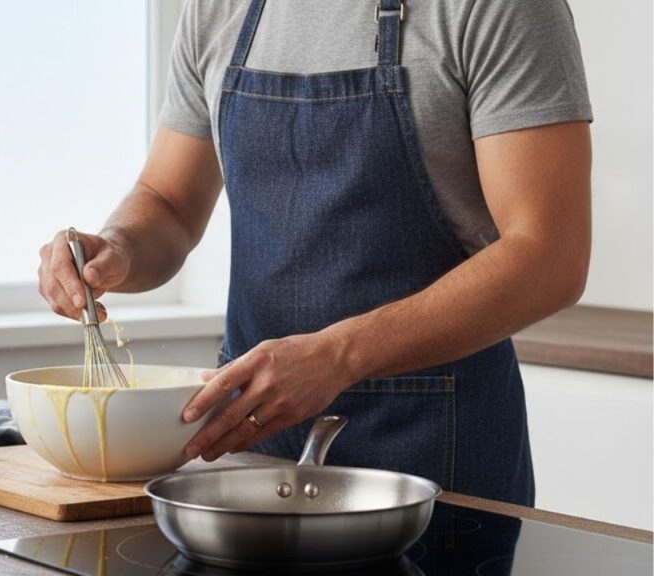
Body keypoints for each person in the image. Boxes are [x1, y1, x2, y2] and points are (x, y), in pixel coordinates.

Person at [37, 0, 592, 506]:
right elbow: (169, 201)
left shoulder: (501, 9)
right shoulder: (216, 9)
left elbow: (550, 255)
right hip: (248, 450)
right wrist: (118, 248)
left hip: (434, 458)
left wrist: (337, 357)